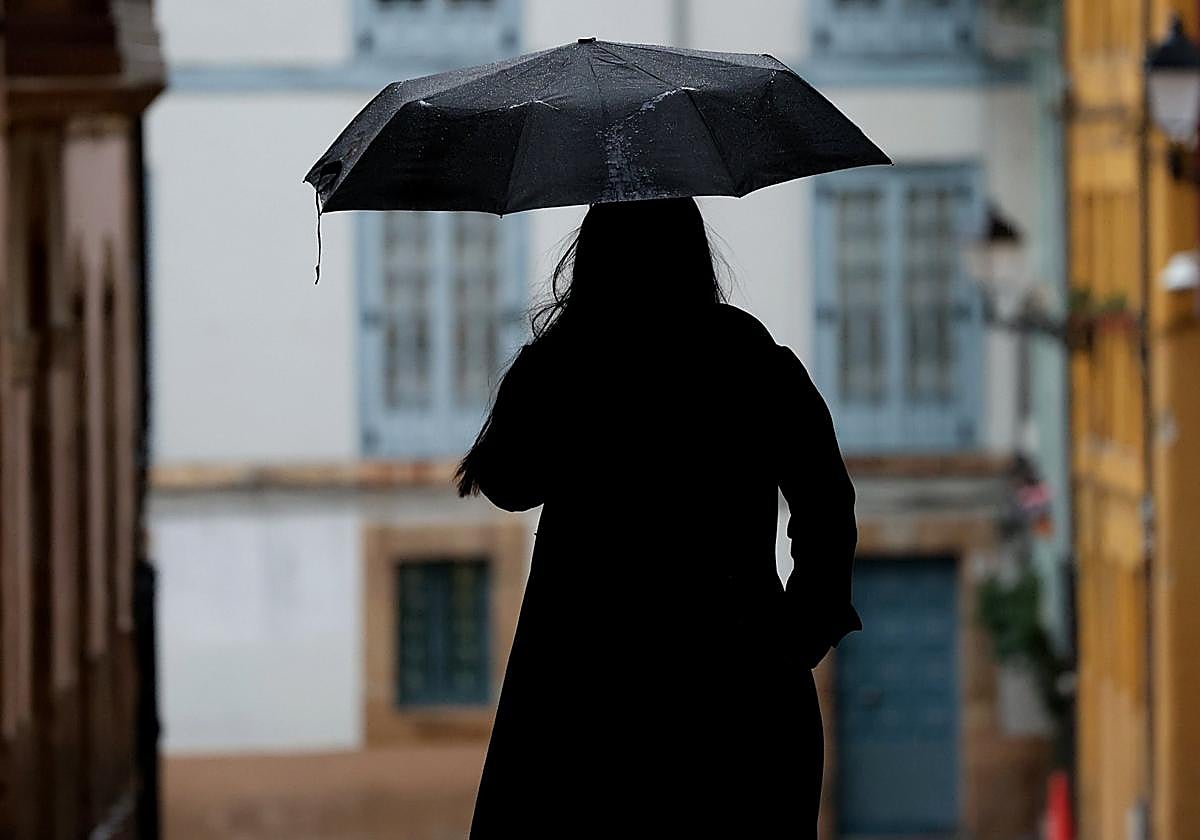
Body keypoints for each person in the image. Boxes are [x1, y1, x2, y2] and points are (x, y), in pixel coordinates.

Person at [456, 196, 861, 838]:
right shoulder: (747, 356)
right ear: (694, 254)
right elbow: (827, 499)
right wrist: (797, 634)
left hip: (585, 690)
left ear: (589, 259)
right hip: (739, 690)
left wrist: (549, 359)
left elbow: (506, 483)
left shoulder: (568, 366)